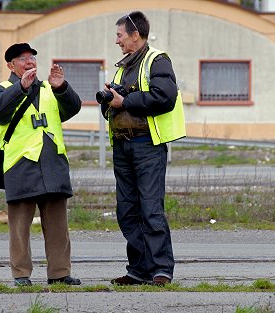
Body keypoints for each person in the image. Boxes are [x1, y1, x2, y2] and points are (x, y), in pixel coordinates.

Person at [100, 11, 186, 286]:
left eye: (119, 35)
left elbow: (164, 97)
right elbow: (115, 108)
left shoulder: (157, 60)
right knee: (127, 210)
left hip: (147, 144)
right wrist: (110, 101)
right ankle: (138, 270)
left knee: (150, 208)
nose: (117, 41)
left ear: (135, 34)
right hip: (123, 144)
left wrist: (124, 102)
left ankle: (161, 270)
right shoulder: (123, 66)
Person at [0, 43, 82, 287]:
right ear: (11, 65)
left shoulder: (50, 89)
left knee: (58, 226)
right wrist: (21, 87)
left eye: (32, 58)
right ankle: (21, 275)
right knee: (19, 227)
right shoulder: (1, 90)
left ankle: (60, 273)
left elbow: (73, 107)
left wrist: (62, 87)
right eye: (23, 59)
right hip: (20, 165)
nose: (30, 62)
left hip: (52, 162)